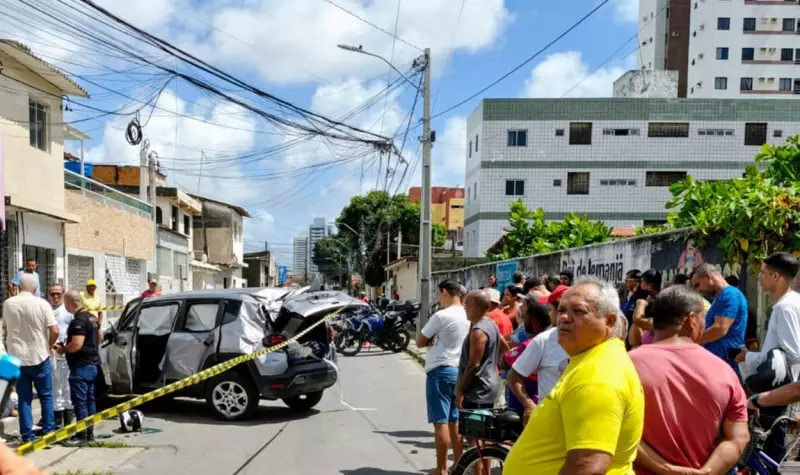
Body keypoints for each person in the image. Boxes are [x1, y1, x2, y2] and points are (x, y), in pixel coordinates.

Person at [503, 278, 644, 475]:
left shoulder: (598, 376)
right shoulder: (590, 360)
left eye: (578, 311)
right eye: (561, 310)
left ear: (609, 321)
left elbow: (587, 466)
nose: (564, 318)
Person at [630, 286, 749, 475]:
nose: (705, 324)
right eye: (704, 317)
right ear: (691, 320)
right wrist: (707, 472)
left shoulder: (626, 365)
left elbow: (616, 430)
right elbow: (738, 438)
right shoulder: (724, 371)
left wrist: (665, 469)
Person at [735, 252, 800, 463]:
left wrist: (792, 400)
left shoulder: (785, 307)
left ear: (776, 277)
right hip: (783, 392)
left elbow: (795, 354)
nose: (759, 277)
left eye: (763, 273)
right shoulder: (791, 302)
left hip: (780, 394)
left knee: (772, 455)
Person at [416, 280, 470, 475]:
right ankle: (458, 464)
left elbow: (420, 341)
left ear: (444, 292)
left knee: (441, 421)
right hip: (459, 371)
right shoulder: (468, 315)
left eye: (439, 294)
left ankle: (441, 468)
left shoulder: (441, 315)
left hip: (440, 369)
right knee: (455, 421)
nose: (439, 298)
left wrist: (433, 338)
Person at [2, 274, 58, 442]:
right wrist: (49, 346)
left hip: (16, 358)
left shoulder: (8, 303)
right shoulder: (42, 304)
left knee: (24, 398)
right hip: (39, 355)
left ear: (18, 287)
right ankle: (48, 432)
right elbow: (54, 330)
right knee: (46, 396)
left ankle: (27, 435)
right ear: (35, 288)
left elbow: (5, 326)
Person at [507, 287, 570, 424]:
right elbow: (513, 375)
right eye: (559, 311)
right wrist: (528, 404)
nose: (565, 317)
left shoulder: (594, 341)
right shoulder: (544, 340)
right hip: (549, 422)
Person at [57, 291, 101, 446]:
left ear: (68, 303)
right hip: (93, 365)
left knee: (80, 402)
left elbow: (76, 344)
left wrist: (63, 349)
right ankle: (89, 434)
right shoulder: (92, 318)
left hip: (81, 366)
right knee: (90, 400)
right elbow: (100, 338)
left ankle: (81, 436)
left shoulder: (78, 321)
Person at [691, 264, 748, 376]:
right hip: (721, 361)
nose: (698, 290)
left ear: (708, 277)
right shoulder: (723, 296)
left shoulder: (730, 295)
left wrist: (691, 341)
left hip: (726, 363)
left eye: (698, 285)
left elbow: (720, 329)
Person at [456, 291, 506, 411]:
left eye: (466, 304)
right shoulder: (491, 323)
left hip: (478, 391)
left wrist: (461, 391)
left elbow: (474, 364)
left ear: (474, 306)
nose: (464, 307)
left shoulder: (478, 331)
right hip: (488, 385)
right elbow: (504, 347)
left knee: (474, 427)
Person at [48, 284, 74, 430]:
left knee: (67, 388)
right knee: (54, 388)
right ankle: (57, 422)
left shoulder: (67, 311)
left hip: (65, 354)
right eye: (53, 294)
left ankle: (69, 422)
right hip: (50, 354)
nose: (56, 297)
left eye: (58, 294)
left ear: (63, 294)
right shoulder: (46, 310)